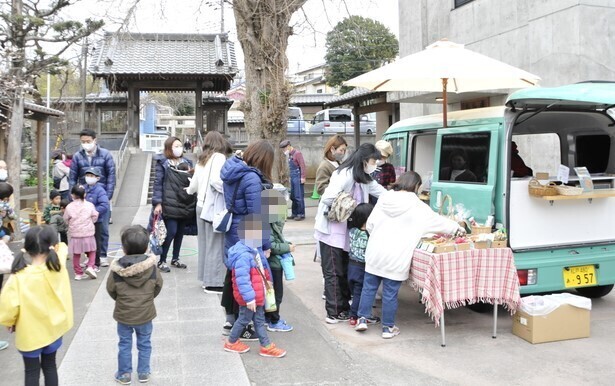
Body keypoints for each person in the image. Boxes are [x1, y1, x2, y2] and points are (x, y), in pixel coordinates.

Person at [354, 171, 465, 338]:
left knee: (368, 288)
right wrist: (458, 228)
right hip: (397, 256)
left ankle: (362, 319)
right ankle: (387, 328)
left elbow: (370, 224)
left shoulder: (384, 198)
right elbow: (439, 222)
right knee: (390, 293)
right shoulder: (418, 206)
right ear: (416, 186)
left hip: (375, 252)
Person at [314, 143, 386, 323]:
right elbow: (328, 198)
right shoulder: (344, 175)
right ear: (364, 160)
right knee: (333, 273)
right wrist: (355, 206)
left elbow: (382, 193)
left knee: (344, 271)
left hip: (347, 231)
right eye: (373, 160)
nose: (375, 163)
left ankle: (344, 308)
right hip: (331, 230)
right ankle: (334, 312)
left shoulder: (364, 178)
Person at [0, 225, 73, 386]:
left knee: (31, 371)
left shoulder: (19, 277)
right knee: (50, 366)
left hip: (30, 333)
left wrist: (9, 322)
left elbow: (8, 307)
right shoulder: (58, 266)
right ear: (52, 246)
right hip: (54, 328)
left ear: (27, 248)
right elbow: (63, 247)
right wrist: (55, 244)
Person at [220, 139, 274, 339]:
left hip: (234, 227)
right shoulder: (251, 178)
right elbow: (257, 215)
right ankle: (243, 323)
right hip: (247, 230)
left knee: (234, 274)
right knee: (247, 277)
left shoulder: (233, 170)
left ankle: (231, 318)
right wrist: (266, 244)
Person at [223, 214, 286, 358]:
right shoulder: (243, 255)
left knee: (258, 320)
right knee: (244, 319)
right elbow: (242, 280)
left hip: (257, 294)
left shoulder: (253, 249)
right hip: (250, 297)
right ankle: (231, 342)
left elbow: (262, 268)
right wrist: (250, 298)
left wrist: (267, 281)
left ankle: (266, 346)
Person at [107, 225, 163, 385]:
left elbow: (111, 290)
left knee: (124, 343)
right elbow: (158, 286)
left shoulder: (117, 271)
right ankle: (143, 372)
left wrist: (122, 300)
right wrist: (147, 299)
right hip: (145, 314)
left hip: (124, 315)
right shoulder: (151, 269)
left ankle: (124, 374)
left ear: (124, 249)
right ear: (146, 247)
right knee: (145, 343)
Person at [187, 131, 232, 293]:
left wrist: (188, 191)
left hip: (200, 206)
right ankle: (214, 283)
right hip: (212, 207)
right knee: (215, 244)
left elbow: (193, 186)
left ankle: (205, 278)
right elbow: (216, 181)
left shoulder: (202, 160)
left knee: (204, 244)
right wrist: (230, 190)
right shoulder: (219, 157)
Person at [69, 129, 116, 268]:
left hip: (101, 197)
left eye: (88, 141)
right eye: (83, 142)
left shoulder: (106, 155)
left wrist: (107, 197)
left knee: (102, 229)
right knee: (86, 230)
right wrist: (73, 198)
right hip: (84, 198)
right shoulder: (78, 156)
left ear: (95, 140)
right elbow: (72, 178)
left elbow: (112, 177)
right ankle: (90, 257)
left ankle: (102, 255)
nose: (85, 144)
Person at [152, 136, 195, 273]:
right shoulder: (163, 163)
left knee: (180, 233)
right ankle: (162, 260)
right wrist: (158, 203)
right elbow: (158, 183)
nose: (179, 148)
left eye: (180, 145)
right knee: (171, 232)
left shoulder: (187, 162)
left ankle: (175, 258)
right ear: (169, 148)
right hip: (169, 202)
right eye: (175, 146)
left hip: (185, 201)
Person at [265, 190, 294, 332]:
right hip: (274, 264)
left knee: (271, 293)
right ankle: (274, 321)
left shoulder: (271, 224)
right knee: (276, 294)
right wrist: (287, 247)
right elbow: (272, 246)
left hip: (272, 263)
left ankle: (268, 317)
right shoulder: (269, 225)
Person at [346, 203, 380, 326]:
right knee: (360, 293)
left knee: (355, 292)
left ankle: (354, 314)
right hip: (362, 267)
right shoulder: (370, 235)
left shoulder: (352, 230)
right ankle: (354, 316)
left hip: (351, 265)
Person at [64, 185, 99, 280]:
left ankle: (78, 273)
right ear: (85, 194)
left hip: (75, 234)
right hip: (88, 232)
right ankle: (90, 266)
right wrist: (91, 222)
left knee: (76, 254)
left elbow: (66, 219)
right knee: (92, 251)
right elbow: (95, 216)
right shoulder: (89, 205)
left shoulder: (69, 207)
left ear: (73, 195)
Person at [84, 167, 110, 270]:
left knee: (96, 241)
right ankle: (89, 259)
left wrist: (92, 212)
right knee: (86, 241)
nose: (89, 178)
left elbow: (104, 205)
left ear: (97, 178)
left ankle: (96, 262)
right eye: (87, 175)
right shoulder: (83, 188)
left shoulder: (100, 190)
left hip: (96, 221)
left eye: (91, 176)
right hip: (85, 221)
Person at [279, 139, 306, 221]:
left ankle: (301, 214)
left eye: (284, 149)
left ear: (288, 146)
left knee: (299, 196)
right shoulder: (290, 154)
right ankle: (294, 213)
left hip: (298, 176)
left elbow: (302, 166)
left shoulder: (297, 154)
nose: (284, 151)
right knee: (293, 196)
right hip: (293, 177)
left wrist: (303, 177)